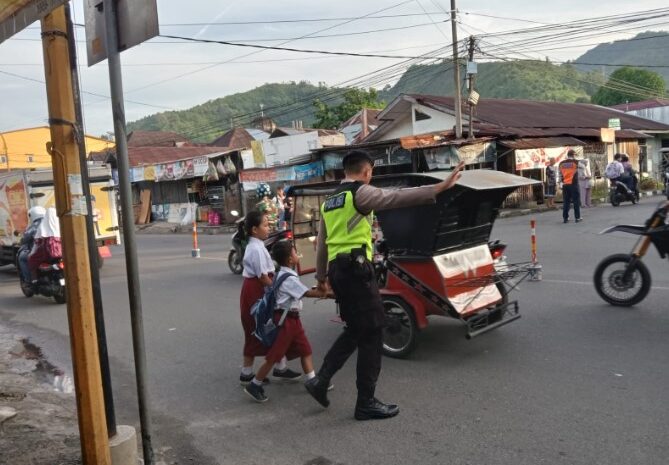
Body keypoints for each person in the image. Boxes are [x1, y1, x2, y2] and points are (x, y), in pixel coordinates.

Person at [305, 150, 464, 421]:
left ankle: (320, 380)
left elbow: (322, 242)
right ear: (366, 172)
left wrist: (321, 278)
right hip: (356, 270)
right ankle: (365, 402)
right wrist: (440, 186)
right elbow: (396, 197)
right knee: (373, 332)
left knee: (356, 329)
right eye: (371, 173)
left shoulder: (331, 199)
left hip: (338, 271)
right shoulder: (360, 193)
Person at [244, 240, 328, 403]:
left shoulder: (283, 273)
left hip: (292, 320)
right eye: (295, 252)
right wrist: (325, 292)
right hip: (285, 321)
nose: (298, 255)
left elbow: (302, 291)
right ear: (290, 259)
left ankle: (313, 381)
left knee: (305, 349)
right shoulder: (288, 277)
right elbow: (307, 293)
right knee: (274, 356)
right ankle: (255, 384)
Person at [238, 211, 300, 385]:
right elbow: (263, 277)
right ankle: (249, 372)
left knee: (269, 329)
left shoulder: (257, 245)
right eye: (265, 225)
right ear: (254, 229)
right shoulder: (256, 249)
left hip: (257, 290)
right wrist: (279, 288)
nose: (268, 228)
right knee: (259, 329)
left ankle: (275, 367)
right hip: (256, 292)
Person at [28, 207, 62, 280]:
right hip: (62, 254)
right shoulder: (62, 225)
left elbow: (36, 243)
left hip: (48, 254)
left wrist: (31, 254)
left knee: (32, 260)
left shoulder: (42, 226)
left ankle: (34, 280)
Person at [17, 206, 46, 284]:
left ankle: (29, 280)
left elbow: (25, 239)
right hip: (56, 251)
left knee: (22, 258)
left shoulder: (34, 226)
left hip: (40, 252)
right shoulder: (53, 222)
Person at [558, 150, 582, 224]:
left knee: (566, 202)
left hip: (565, 185)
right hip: (574, 184)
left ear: (568, 155)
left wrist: (560, 183)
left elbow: (559, 174)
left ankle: (565, 218)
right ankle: (577, 218)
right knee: (576, 201)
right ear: (573, 155)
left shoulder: (561, 163)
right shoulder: (576, 162)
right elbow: (584, 167)